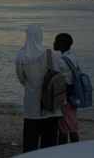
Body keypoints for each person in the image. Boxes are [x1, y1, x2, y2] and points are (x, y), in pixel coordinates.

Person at [15, 24, 62, 153]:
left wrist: (31, 85)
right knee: (50, 143)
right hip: (51, 104)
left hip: (32, 103)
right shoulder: (48, 54)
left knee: (30, 143)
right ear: (40, 35)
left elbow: (21, 78)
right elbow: (56, 75)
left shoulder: (21, 55)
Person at [53, 33, 80, 145]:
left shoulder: (61, 61)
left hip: (65, 97)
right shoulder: (72, 58)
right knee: (72, 125)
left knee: (64, 128)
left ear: (63, 44)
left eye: (57, 41)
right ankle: (75, 150)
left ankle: (62, 152)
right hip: (73, 96)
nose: (54, 43)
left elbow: (53, 77)